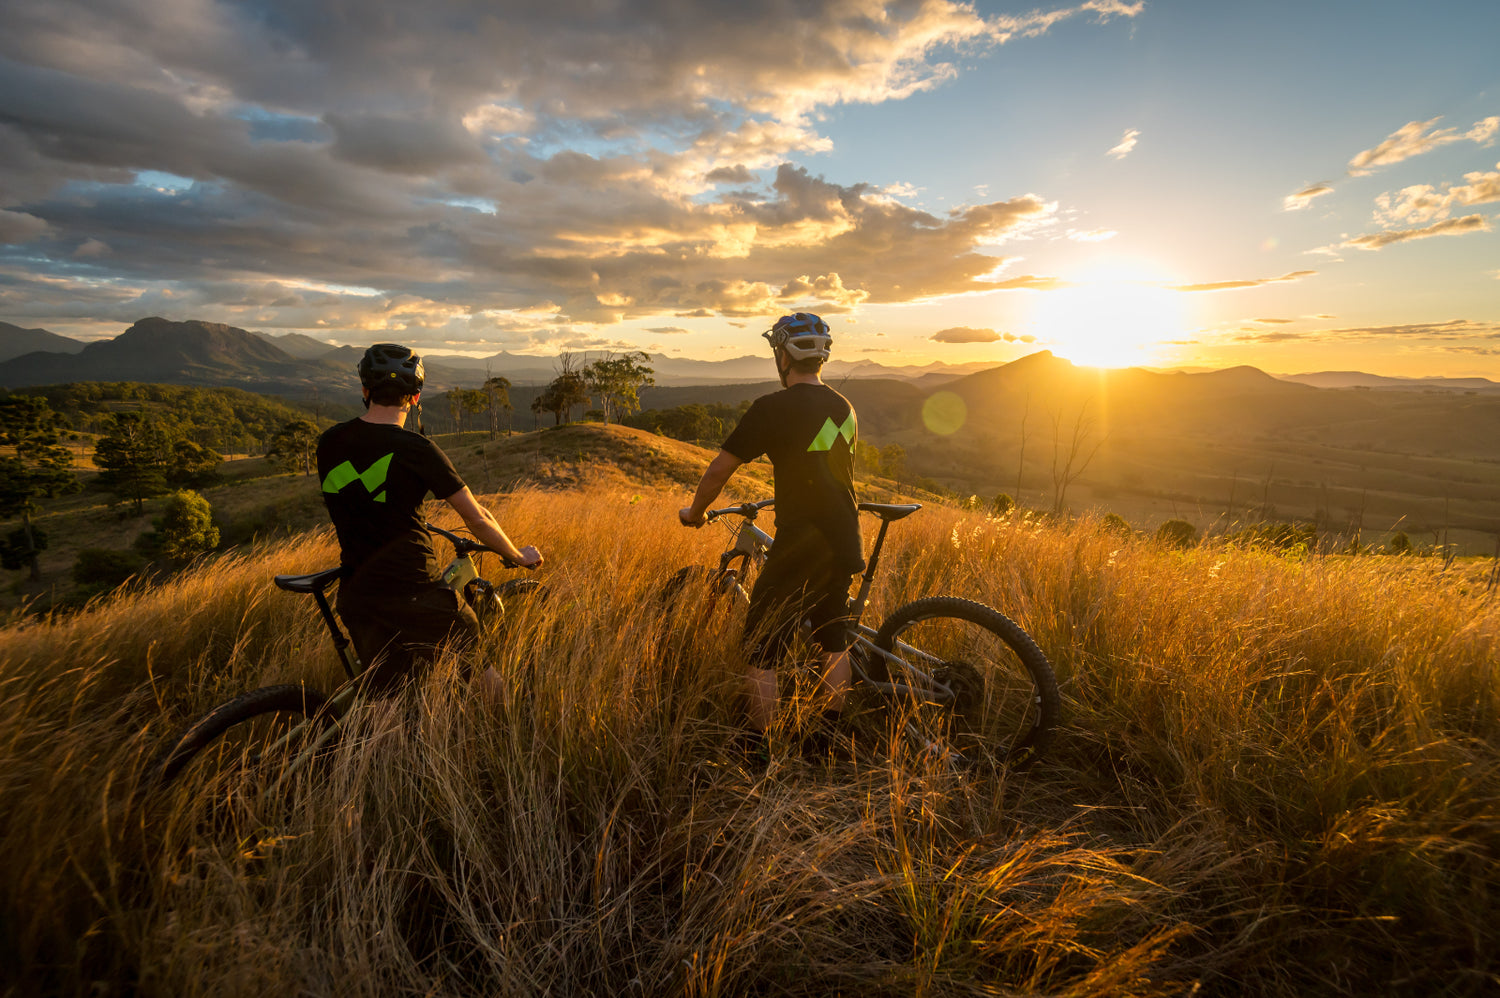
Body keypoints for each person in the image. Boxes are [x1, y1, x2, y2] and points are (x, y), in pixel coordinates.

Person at [679, 313, 862, 754]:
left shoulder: (772, 408)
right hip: (845, 534)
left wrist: (695, 512)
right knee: (832, 636)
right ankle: (827, 740)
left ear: (783, 356)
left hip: (803, 538)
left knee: (761, 644)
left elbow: (719, 470)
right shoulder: (844, 406)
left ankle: (755, 747)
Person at [317, 343, 542, 693]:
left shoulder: (329, 442)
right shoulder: (417, 449)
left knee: (389, 698)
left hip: (357, 594)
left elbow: (362, 503)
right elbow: (478, 518)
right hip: (414, 590)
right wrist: (517, 555)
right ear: (415, 397)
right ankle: (509, 726)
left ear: (365, 390)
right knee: (482, 673)